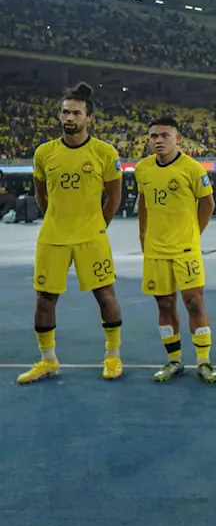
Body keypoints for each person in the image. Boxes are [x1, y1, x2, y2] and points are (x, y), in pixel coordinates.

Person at [18, 83, 125, 384]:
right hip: (53, 236)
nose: (69, 118)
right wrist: (56, 219)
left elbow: (114, 198)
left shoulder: (105, 152)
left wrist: (98, 225)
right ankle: (47, 360)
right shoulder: (44, 153)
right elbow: (41, 195)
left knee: (105, 295)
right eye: (65, 112)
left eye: (76, 113)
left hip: (91, 236)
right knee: (44, 299)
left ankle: (113, 355)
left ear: (88, 117)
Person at [135, 117, 216, 383]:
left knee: (194, 302)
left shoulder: (192, 168)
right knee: (164, 303)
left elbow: (208, 205)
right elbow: (143, 205)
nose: (158, 140)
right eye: (153, 136)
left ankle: (204, 361)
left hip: (185, 249)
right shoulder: (142, 169)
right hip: (156, 250)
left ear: (177, 139)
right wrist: (143, 238)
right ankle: (174, 360)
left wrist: (194, 234)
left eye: (164, 135)